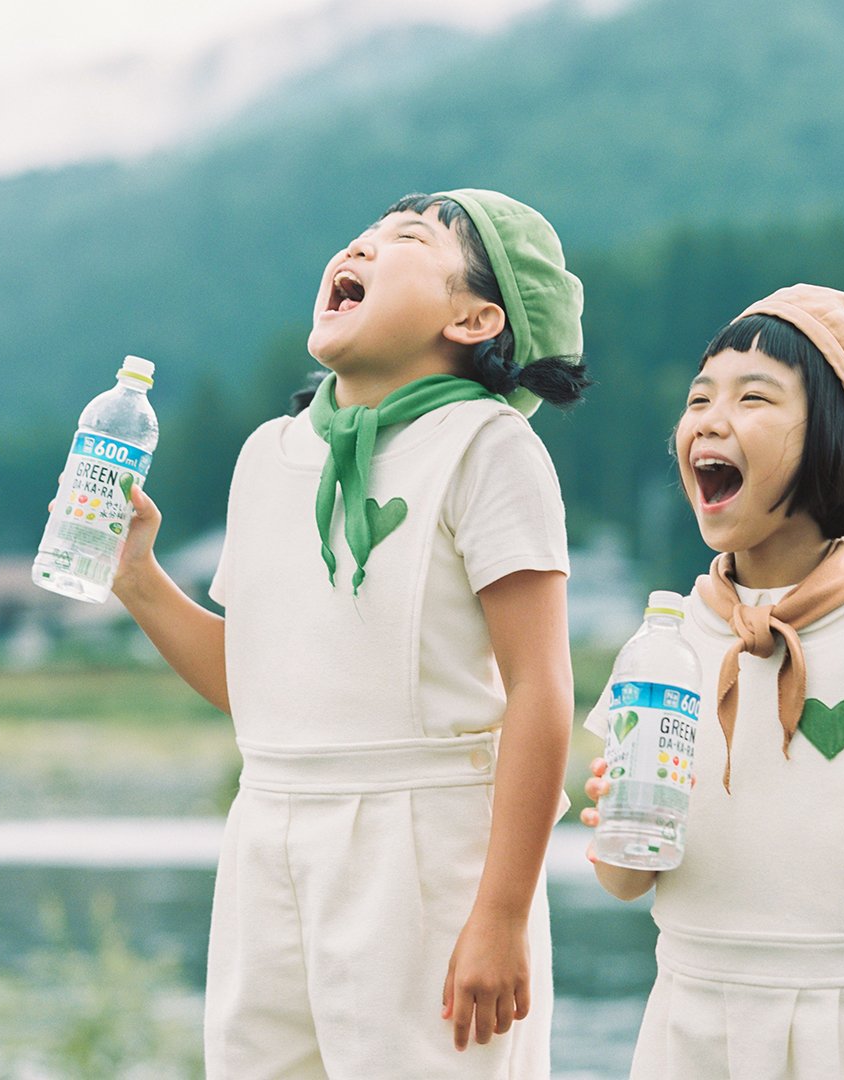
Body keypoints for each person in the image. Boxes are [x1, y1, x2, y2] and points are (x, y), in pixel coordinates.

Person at [113, 188, 588, 1078]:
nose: (360, 248)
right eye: (359, 236)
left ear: (475, 316)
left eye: (402, 240)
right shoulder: (269, 453)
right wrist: (138, 579)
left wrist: (501, 913)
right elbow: (255, 687)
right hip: (268, 834)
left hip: (425, 844)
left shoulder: (486, 445)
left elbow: (541, 689)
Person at [581, 284, 844, 1079]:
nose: (710, 418)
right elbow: (625, 878)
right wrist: (617, 833)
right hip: (688, 1014)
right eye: (700, 398)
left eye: (754, 397)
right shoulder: (672, 632)